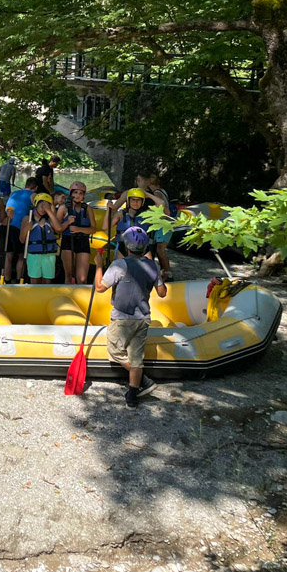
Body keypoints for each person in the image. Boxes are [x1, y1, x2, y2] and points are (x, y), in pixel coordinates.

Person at [94, 226, 166, 409]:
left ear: (126, 246)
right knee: (136, 358)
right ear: (144, 247)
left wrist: (99, 266)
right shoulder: (153, 265)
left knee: (115, 351)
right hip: (143, 317)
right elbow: (162, 292)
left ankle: (144, 380)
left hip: (122, 318)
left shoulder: (119, 265)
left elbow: (100, 288)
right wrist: (159, 276)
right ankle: (132, 396)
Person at [20, 193, 67, 284]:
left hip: (49, 255)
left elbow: (59, 228)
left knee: (47, 280)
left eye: (46, 207)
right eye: (42, 206)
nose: (43, 209)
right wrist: (27, 228)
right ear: (36, 205)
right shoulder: (28, 219)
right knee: (34, 280)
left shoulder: (50, 220)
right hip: (34, 255)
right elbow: (22, 239)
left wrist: (49, 211)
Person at [106, 187, 166, 257]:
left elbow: (161, 203)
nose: (135, 203)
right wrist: (108, 209)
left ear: (142, 201)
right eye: (133, 200)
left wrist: (146, 194)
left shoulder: (146, 215)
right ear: (129, 201)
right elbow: (106, 227)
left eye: (138, 200)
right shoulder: (121, 214)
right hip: (123, 247)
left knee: (148, 266)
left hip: (142, 248)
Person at [3, 177, 38, 282]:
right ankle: (19, 280)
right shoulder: (34, 195)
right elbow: (37, 213)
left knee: (9, 255)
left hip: (8, 225)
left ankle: (7, 280)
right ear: (36, 187)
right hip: (19, 226)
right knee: (21, 256)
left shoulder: (14, 193)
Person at [59, 181, 94, 284]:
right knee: (69, 275)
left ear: (83, 196)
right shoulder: (63, 208)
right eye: (75, 193)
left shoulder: (88, 209)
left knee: (82, 279)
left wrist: (79, 229)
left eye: (81, 193)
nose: (78, 195)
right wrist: (67, 223)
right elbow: (57, 228)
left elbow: (93, 229)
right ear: (71, 194)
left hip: (83, 242)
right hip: (68, 241)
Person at [146, 173, 174, 280]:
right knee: (160, 249)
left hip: (163, 225)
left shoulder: (157, 193)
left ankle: (167, 273)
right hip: (166, 224)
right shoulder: (162, 191)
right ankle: (165, 272)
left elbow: (162, 209)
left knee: (160, 249)